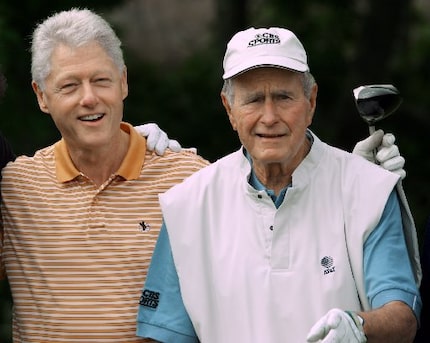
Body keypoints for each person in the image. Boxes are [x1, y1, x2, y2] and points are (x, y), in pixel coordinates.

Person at [136, 27, 422, 342]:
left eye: (283, 97)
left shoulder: (369, 189)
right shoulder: (188, 205)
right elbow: (165, 334)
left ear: (311, 101)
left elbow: (402, 318)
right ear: (229, 109)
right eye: (254, 100)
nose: (269, 116)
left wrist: (358, 326)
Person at [0, 8, 209, 342]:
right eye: (69, 86)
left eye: (101, 80)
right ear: (41, 96)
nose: (89, 98)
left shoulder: (191, 180)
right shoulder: (14, 187)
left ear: (123, 81)